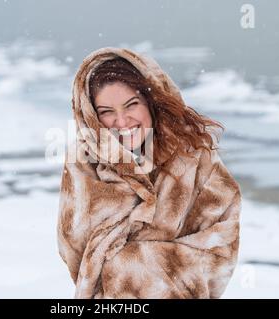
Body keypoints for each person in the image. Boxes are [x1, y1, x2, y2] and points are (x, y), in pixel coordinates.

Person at [57, 47, 242, 299]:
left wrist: (127, 264)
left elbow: (221, 246)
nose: (121, 122)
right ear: (92, 116)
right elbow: (73, 248)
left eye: (131, 105)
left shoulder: (195, 157)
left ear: (151, 101)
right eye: (106, 112)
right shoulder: (83, 162)